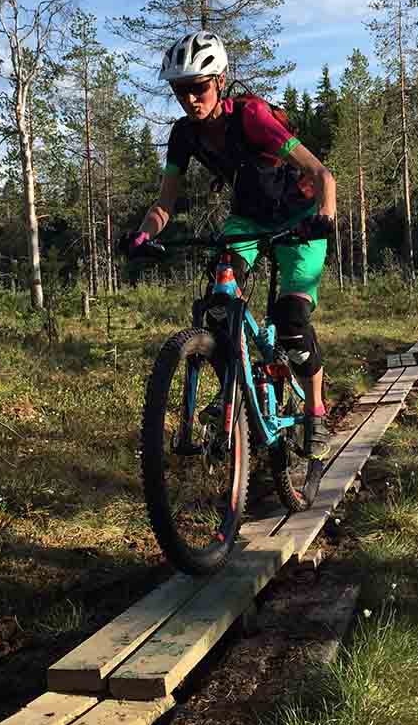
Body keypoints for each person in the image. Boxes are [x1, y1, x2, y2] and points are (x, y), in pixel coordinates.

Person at [121, 31, 338, 461]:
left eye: (198, 87)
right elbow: (164, 204)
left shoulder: (252, 116)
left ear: (220, 81)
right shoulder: (184, 135)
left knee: (292, 321)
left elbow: (322, 174)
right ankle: (231, 393)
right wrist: (144, 234)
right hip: (248, 219)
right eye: (180, 90)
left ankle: (315, 410)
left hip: (298, 215)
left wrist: (324, 218)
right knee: (219, 302)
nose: (189, 99)